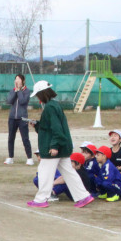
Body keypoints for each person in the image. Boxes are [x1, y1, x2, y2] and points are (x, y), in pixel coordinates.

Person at [26, 80, 94, 209]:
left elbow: (56, 129)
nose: (37, 98)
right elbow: (51, 127)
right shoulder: (54, 105)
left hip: (54, 148)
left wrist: (54, 146)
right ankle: (83, 196)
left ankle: (41, 199)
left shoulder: (50, 107)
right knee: (69, 172)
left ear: (42, 94)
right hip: (63, 146)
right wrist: (38, 125)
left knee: (44, 172)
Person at [4, 74, 34, 165]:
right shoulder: (12, 90)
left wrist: (19, 91)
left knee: (25, 138)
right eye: (16, 79)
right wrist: (15, 91)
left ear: (23, 81)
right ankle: (10, 157)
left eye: (19, 79)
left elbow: (22, 101)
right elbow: (9, 101)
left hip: (22, 118)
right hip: (12, 118)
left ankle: (29, 158)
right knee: (11, 138)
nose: (16, 81)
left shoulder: (26, 91)